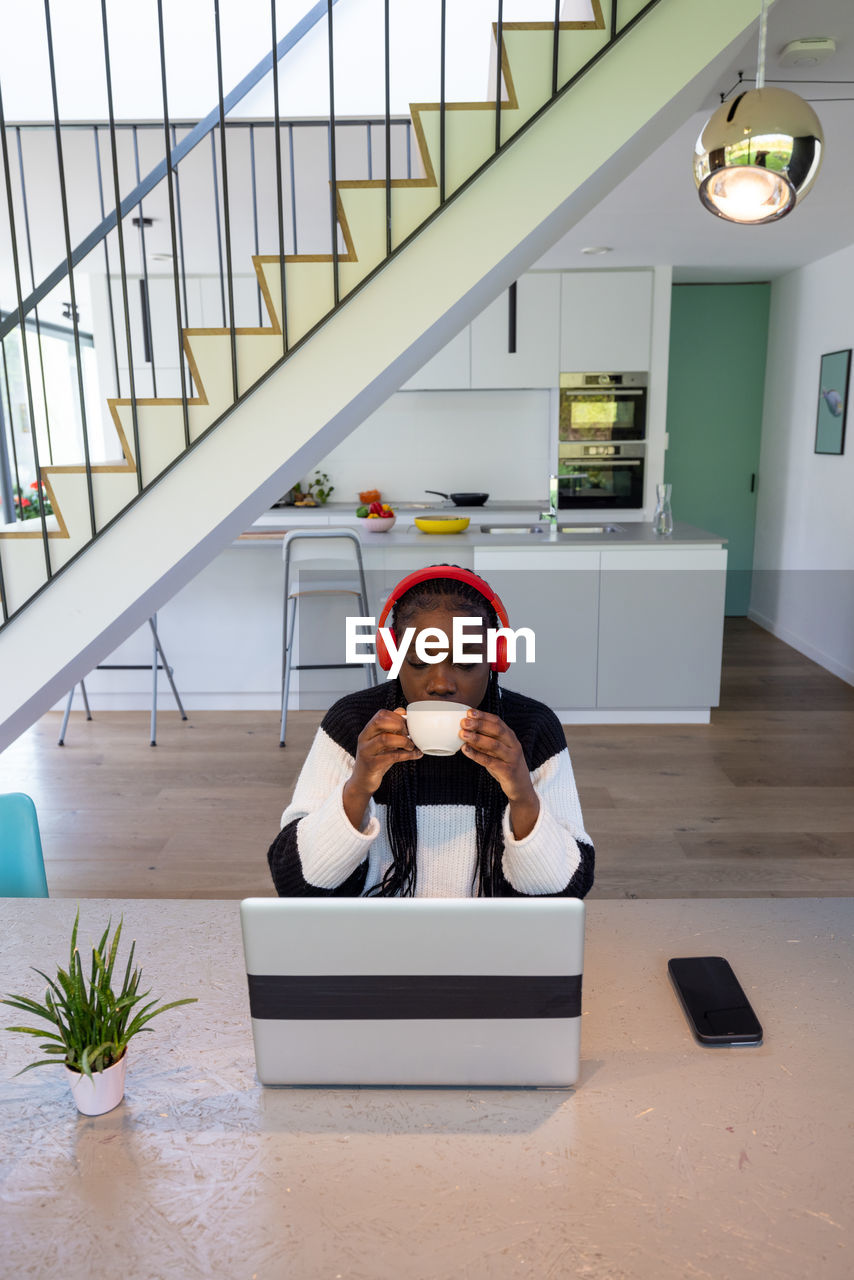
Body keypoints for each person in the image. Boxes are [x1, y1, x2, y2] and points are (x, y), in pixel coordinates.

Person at [267, 565, 594, 898]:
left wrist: (523, 795)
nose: (441, 684)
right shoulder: (352, 725)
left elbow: (566, 892)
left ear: (496, 657)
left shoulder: (532, 728)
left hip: (493, 942)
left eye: (466, 662)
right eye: (419, 662)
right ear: (392, 655)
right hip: (375, 940)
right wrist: (358, 787)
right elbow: (296, 883)